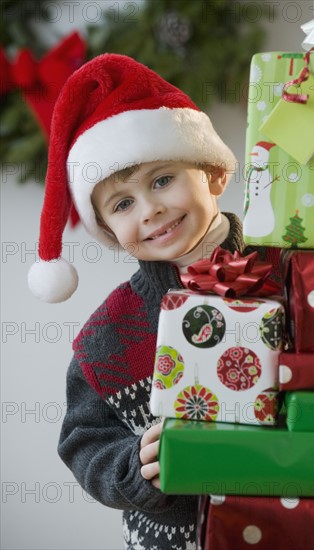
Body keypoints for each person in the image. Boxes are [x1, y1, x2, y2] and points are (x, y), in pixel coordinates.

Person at [28, 53, 243, 550]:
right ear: (108, 230)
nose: (151, 210)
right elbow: (84, 441)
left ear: (213, 173)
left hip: (298, 523)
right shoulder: (107, 337)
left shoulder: (296, 274)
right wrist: (133, 466)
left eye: (162, 179)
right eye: (123, 204)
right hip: (178, 537)